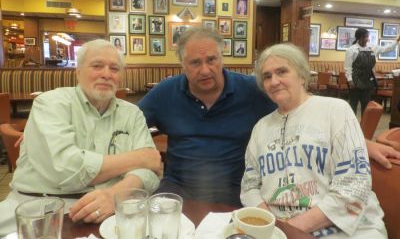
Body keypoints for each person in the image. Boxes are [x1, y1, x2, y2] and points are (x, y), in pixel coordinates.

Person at [0, 39, 161, 236]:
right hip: (38, 208)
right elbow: (66, 169)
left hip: (113, 211)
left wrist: (115, 195)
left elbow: (151, 174)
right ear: (78, 71)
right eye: (97, 66)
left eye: (114, 68)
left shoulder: (132, 113)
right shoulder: (50, 104)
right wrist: (140, 158)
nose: (106, 74)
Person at [241, 43, 387, 238]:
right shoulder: (261, 127)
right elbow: (250, 186)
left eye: (282, 71)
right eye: (267, 76)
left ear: (302, 75)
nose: (274, 81)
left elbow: (354, 185)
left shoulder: (335, 110)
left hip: (344, 228)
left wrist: (288, 229)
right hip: (278, 229)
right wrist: (269, 224)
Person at [138, 27, 277, 206]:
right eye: (195, 63)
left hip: (238, 191)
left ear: (222, 57)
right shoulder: (165, 92)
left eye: (211, 60)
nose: (205, 70)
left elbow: (292, 113)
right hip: (177, 189)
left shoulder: (253, 90)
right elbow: (128, 124)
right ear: (182, 64)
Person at [345, 28, 400, 115]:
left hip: (368, 80)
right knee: (353, 105)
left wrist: (397, 40)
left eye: (367, 37)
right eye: (364, 37)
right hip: (355, 80)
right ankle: (351, 126)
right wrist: (350, 80)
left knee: (366, 105)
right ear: (358, 38)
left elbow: (387, 48)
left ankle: (364, 126)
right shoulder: (351, 50)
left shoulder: (372, 47)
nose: (366, 39)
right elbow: (348, 68)